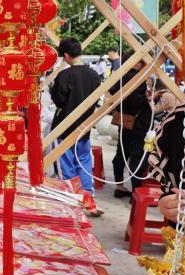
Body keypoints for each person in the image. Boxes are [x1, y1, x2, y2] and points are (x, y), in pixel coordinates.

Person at [49, 38, 102, 212]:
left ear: (66, 55)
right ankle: (88, 199)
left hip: (65, 126)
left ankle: (72, 199)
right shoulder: (94, 74)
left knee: (66, 164)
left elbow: (59, 100)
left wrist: (52, 88)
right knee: (84, 161)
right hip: (85, 127)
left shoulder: (65, 75)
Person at [112, 53, 153, 198]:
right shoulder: (137, 78)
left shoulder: (121, 75)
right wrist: (150, 97)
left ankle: (119, 186)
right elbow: (136, 100)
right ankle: (136, 192)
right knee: (137, 157)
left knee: (121, 154)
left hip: (124, 121)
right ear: (138, 63)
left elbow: (112, 91)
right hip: (139, 124)